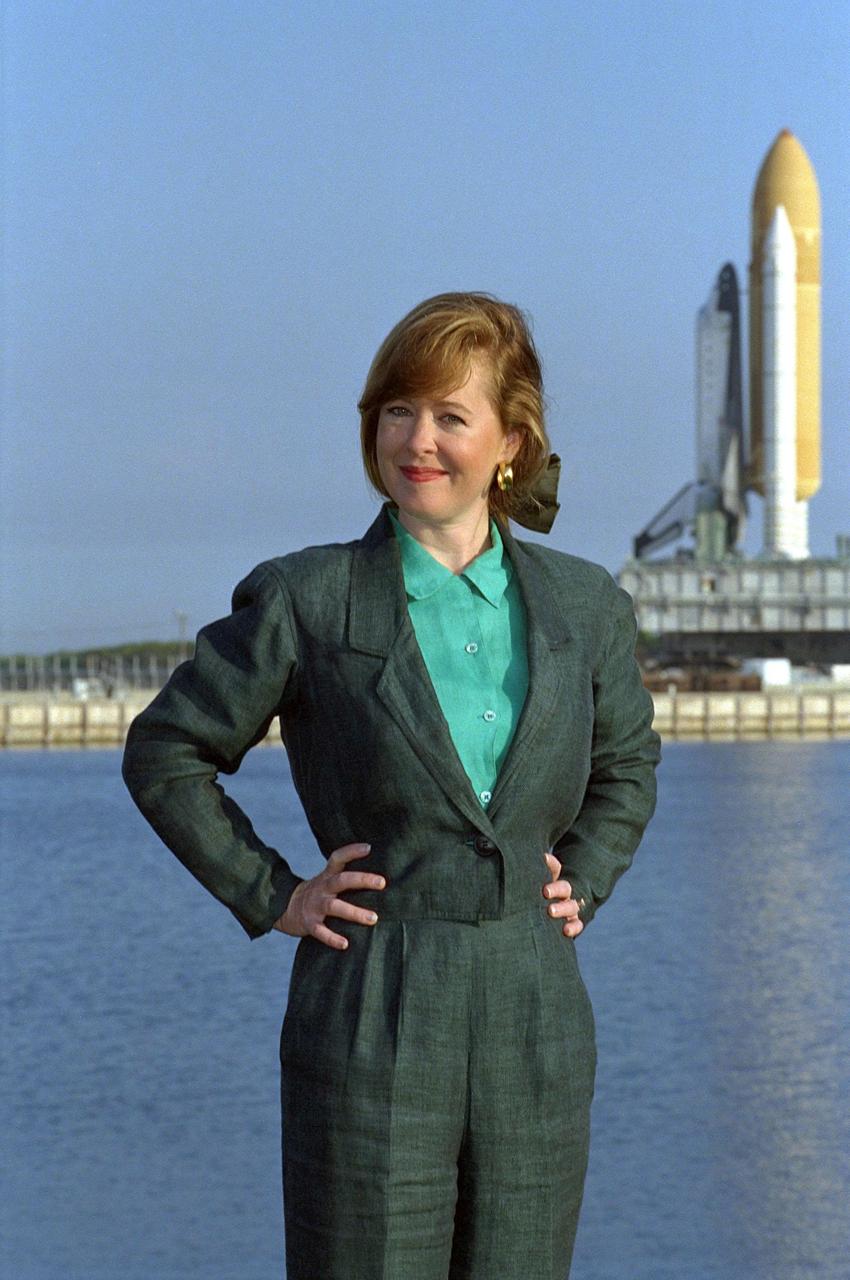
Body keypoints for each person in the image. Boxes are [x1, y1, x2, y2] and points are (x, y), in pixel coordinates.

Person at [122, 292, 661, 1280]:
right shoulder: (307, 596)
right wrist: (273, 891)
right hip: (370, 1009)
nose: (417, 439)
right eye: (396, 409)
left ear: (510, 441)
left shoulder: (588, 607)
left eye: (450, 416)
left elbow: (628, 764)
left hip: (534, 1014)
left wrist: (583, 875)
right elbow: (166, 752)